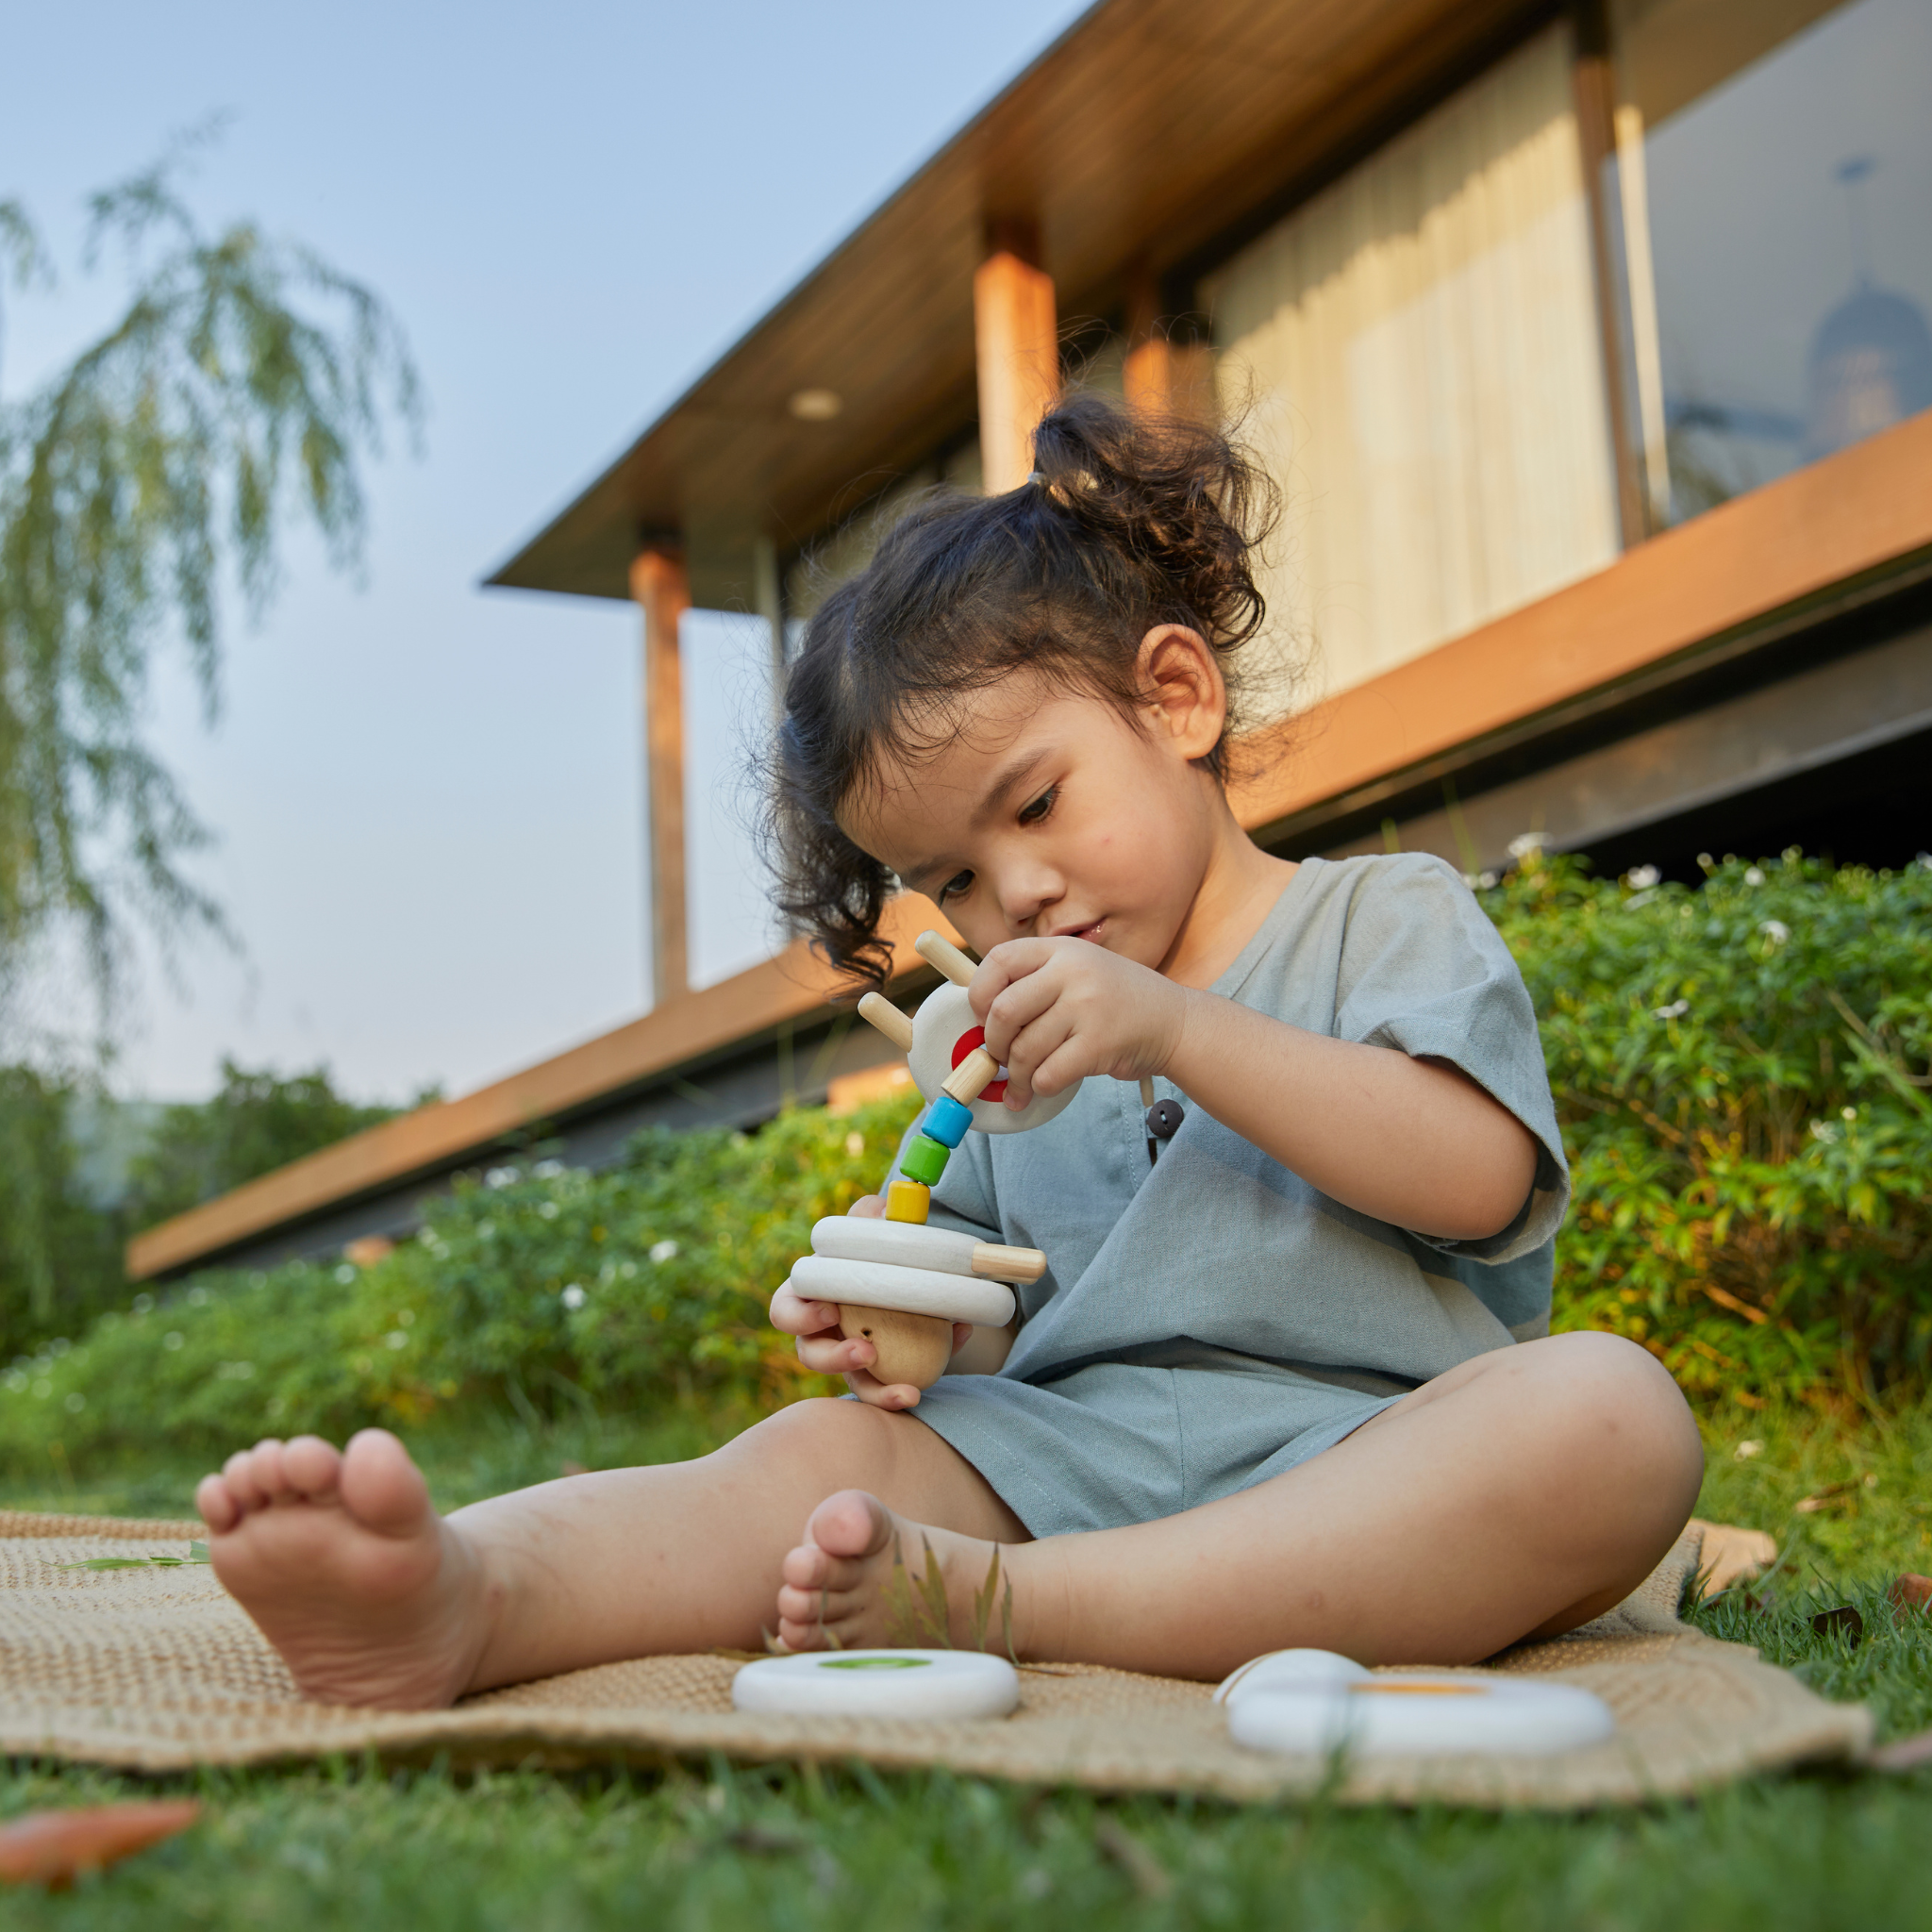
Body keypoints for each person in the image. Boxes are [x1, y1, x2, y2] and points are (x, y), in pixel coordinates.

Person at [195, 395, 1703, 1709]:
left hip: (1370, 1465)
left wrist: (1182, 1032)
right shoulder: (1000, 1051)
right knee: (808, 1463)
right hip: (1068, 1463)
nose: (1016, 896)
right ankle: (470, 1597)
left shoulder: (1384, 916)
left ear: (1175, 698)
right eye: (959, 883)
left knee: (1609, 1417)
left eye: (1035, 807)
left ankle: (1023, 1615)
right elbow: (992, 1310)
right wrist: (905, 1328)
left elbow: (1476, 1174)